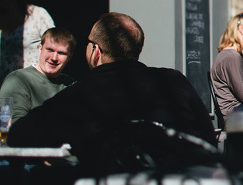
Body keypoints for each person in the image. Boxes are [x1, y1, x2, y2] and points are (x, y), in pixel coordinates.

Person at [8, 12, 216, 160]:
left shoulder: (82, 93)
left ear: (95, 51)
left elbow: (19, 135)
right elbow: (208, 139)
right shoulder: (173, 81)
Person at [0, 28, 76, 122]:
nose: (54, 58)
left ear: (70, 57)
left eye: (61, 53)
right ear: (40, 49)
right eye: (50, 50)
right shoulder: (17, 80)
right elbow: (11, 127)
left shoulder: (69, 84)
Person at [0, 0, 55, 84]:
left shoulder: (38, 14)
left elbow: (55, 47)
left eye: (8, 3)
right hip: (7, 87)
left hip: (35, 85)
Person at [210, 13, 243, 118]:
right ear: (241, 29)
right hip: (235, 116)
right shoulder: (231, 57)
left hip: (240, 111)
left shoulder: (235, 55)